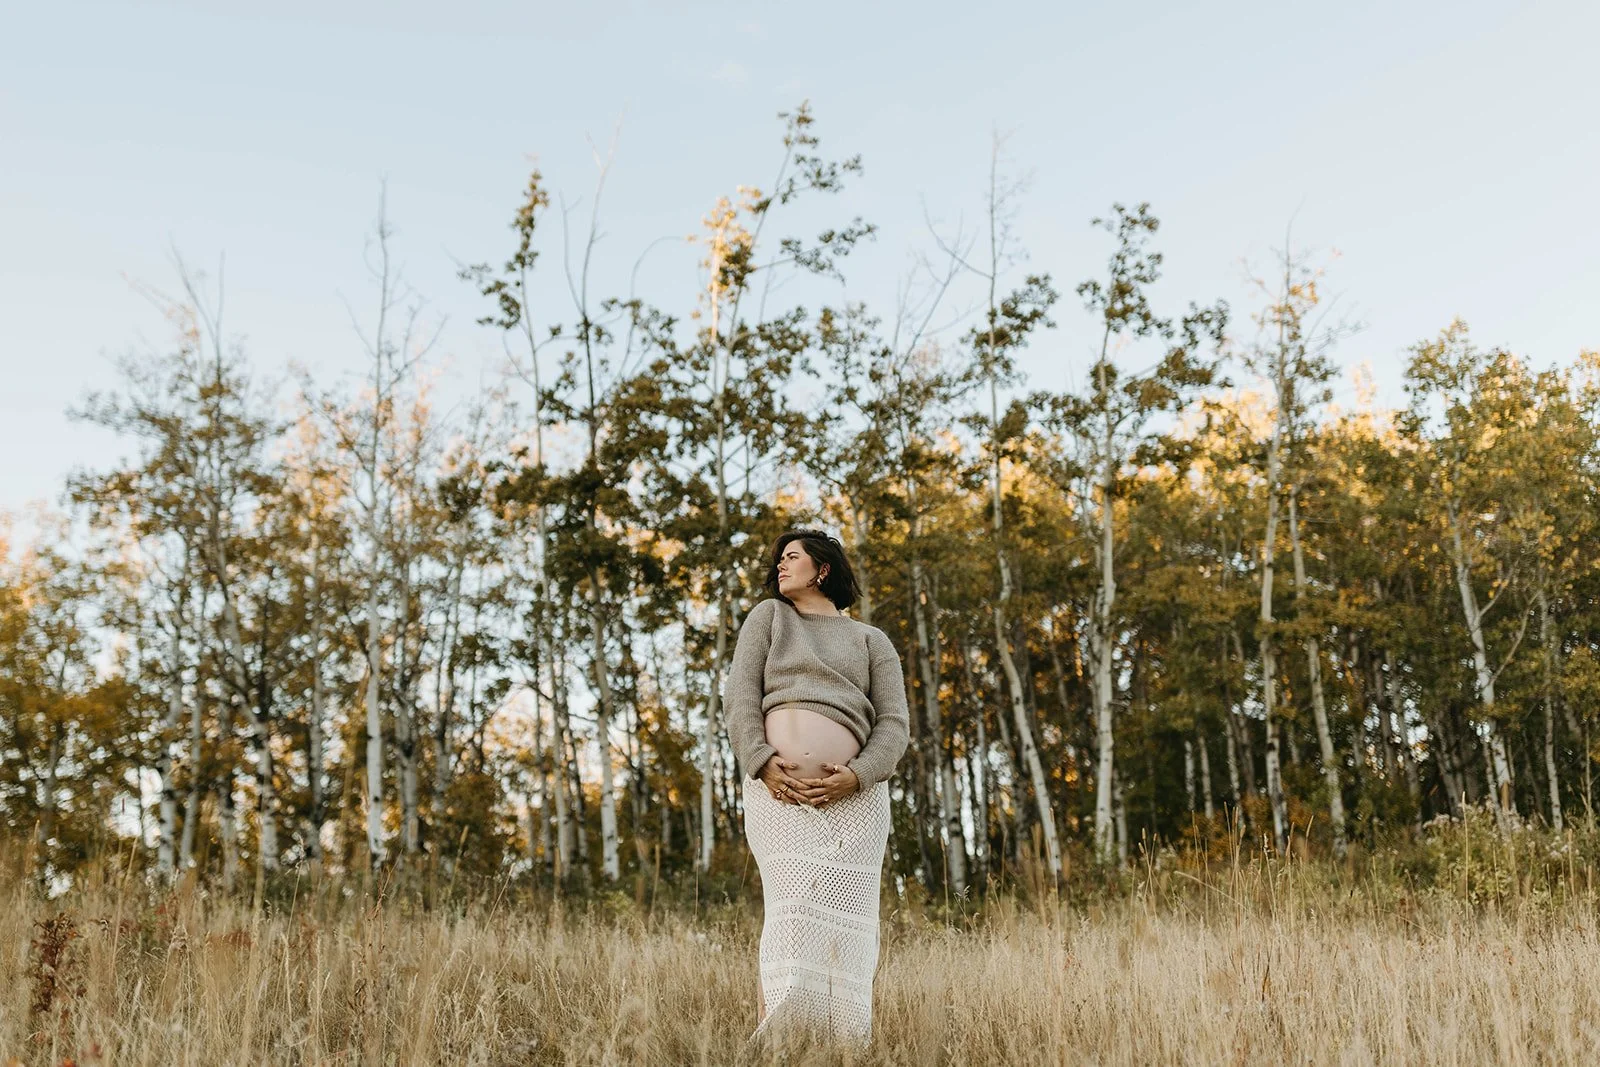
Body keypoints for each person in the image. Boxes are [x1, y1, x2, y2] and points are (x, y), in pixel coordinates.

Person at [725, 528, 910, 1044]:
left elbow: (894, 724)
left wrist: (857, 775)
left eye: (792, 557)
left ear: (822, 568)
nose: (780, 566)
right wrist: (760, 761)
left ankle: (840, 1045)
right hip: (777, 795)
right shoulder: (769, 617)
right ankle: (774, 1043)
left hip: (855, 805)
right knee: (789, 914)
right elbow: (740, 697)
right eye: (779, 559)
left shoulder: (872, 641)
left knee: (844, 929)